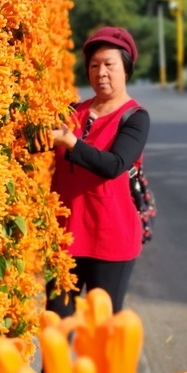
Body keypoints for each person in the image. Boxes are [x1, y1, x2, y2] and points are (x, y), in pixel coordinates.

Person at [47, 25, 151, 318]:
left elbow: (114, 165)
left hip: (110, 239)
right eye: (94, 65)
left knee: (102, 333)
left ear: (126, 69)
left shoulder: (135, 117)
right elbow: (34, 143)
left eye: (109, 65)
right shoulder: (71, 111)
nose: (101, 72)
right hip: (65, 236)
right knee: (55, 324)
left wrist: (70, 141)